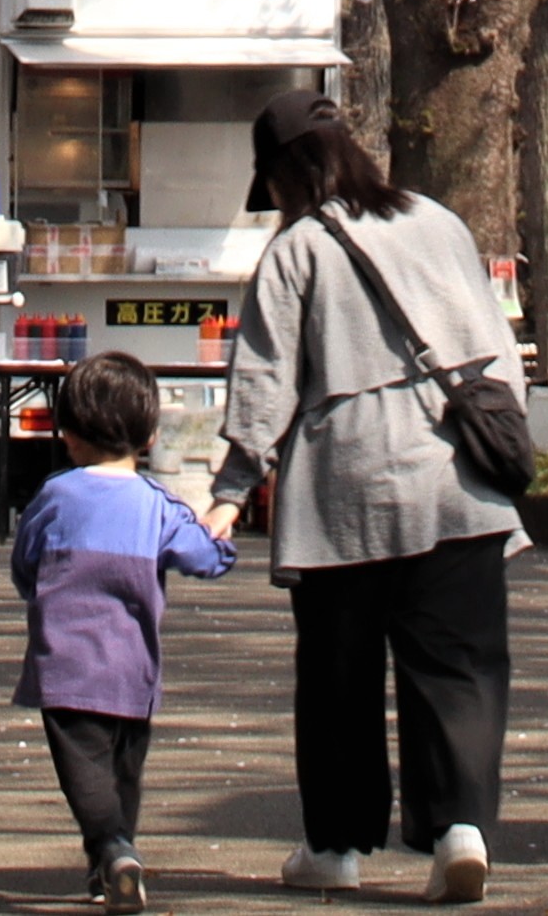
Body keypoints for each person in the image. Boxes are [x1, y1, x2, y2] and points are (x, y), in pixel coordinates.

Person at [198, 91, 520, 905]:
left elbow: (265, 380)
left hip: (345, 488)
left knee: (338, 674)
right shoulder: (438, 221)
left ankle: (337, 844)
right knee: (460, 666)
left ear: (285, 174)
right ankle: (460, 830)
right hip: (456, 479)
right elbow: (496, 349)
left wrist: (232, 490)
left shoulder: (297, 248)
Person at [16, 352, 238, 911]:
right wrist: (220, 532)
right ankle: (115, 860)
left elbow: (25, 564)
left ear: (67, 433)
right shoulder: (158, 505)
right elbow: (204, 559)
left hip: (65, 664)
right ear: (150, 434)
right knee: (124, 772)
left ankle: (111, 849)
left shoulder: (55, 497)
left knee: (84, 774)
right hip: (133, 670)